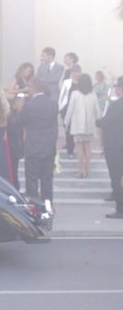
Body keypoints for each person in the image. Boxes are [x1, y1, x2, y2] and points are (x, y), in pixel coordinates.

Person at [15, 79, 59, 203]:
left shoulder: (29, 105)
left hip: (33, 147)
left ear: (34, 88)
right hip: (48, 147)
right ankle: (48, 206)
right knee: (47, 180)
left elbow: (18, 122)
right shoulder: (53, 103)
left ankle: (35, 207)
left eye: (28, 87)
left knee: (32, 181)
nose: (26, 90)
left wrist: (19, 109)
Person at [64, 74, 101, 178]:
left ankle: (81, 170)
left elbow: (70, 109)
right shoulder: (92, 94)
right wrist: (99, 121)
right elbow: (97, 110)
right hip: (89, 126)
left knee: (79, 150)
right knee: (88, 149)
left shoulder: (75, 94)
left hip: (78, 126)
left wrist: (66, 122)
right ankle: (88, 169)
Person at [96, 76, 123, 218]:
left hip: (115, 147)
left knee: (116, 177)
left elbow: (104, 123)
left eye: (117, 87)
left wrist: (96, 120)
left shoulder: (116, 105)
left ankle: (120, 209)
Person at [58, 64, 82, 159]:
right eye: (74, 72)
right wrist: (60, 108)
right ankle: (70, 150)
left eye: (78, 72)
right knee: (68, 130)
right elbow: (62, 96)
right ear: (71, 73)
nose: (76, 74)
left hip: (79, 109)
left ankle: (79, 149)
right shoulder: (66, 82)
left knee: (78, 131)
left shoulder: (82, 83)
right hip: (67, 109)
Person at [7, 97, 26, 191]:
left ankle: (15, 186)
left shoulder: (14, 116)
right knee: (13, 170)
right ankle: (15, 187)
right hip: (14, 145)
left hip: (14, 145)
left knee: (13, 169)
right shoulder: (14, 117)